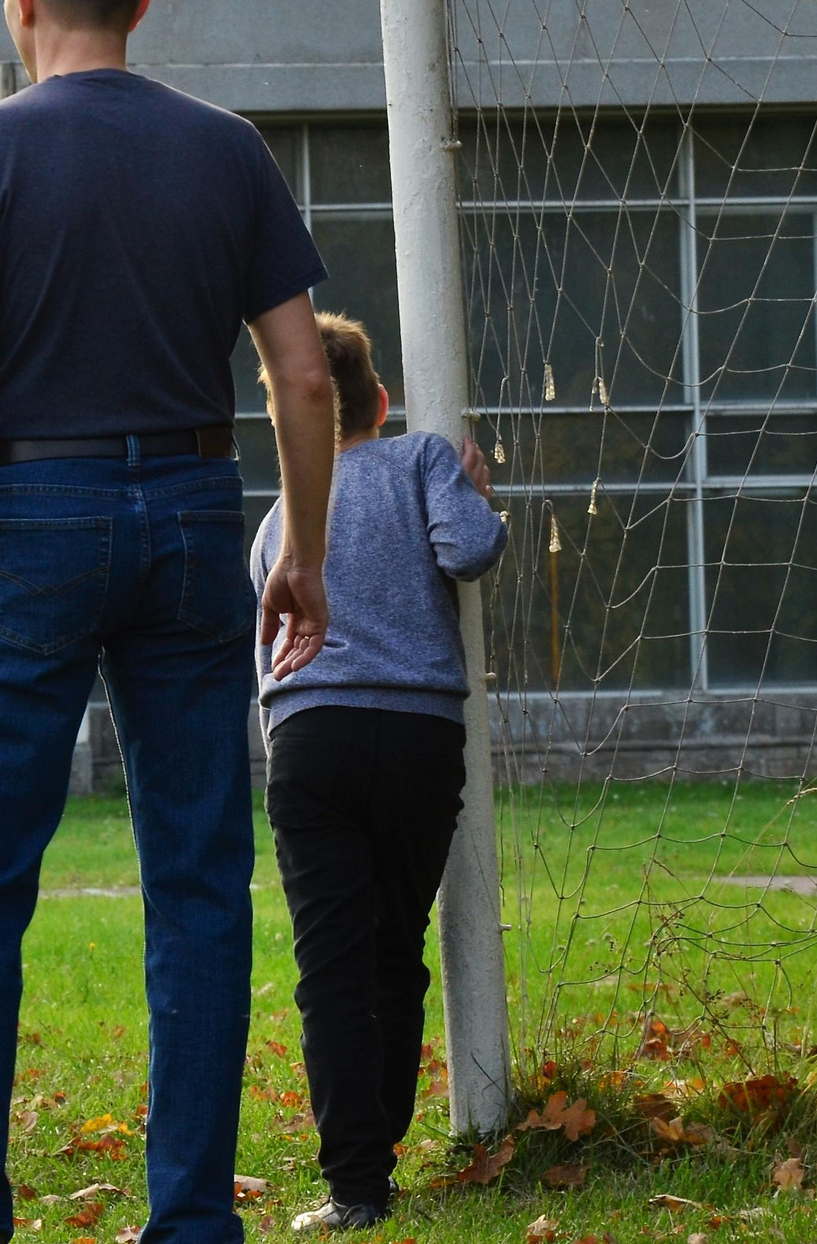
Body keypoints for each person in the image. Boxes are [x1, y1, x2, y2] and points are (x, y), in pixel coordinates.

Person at [0, 0, 340, 1244]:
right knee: (199, 878)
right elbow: (305, 380)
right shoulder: (229, 150)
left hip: (39, 524)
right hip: (199, 521)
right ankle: (194, 1219)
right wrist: (303, 555)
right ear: (141, 0)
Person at [248, 314, 506, 1234]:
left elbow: (268, 657)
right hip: (416, 739)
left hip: (311, 740)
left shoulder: (278, 522)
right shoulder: (422, 460)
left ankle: (356, 1186)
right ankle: (384, 1143)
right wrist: (475, 497)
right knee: (396, 950)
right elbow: (468, 552)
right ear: (382, 402)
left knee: (329, 966)